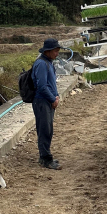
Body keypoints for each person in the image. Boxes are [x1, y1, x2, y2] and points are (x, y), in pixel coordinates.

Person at [32, 38, 61, 170]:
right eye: (55, 51)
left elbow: (51, 84)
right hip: (42, 101)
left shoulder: (48, 62)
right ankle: (45, 159)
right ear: (48, 51)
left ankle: (46, 155)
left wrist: (57, 96)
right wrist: (52, 99)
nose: (57, 54)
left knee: (48, 129)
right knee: (44, 130)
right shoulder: (42, 64)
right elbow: (42, 86)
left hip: (48, 101)